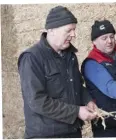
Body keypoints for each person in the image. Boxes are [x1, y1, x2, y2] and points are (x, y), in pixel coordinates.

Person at [17, 6, 97, 138]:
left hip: (73, 131)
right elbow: (37, 101)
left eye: (74, 29)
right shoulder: (32, 58)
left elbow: (77, 86)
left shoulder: (70, 56)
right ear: (51, 30)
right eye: (69, 30)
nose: (74, 35)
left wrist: (88, 100)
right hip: (46, 134)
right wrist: (76, 112)